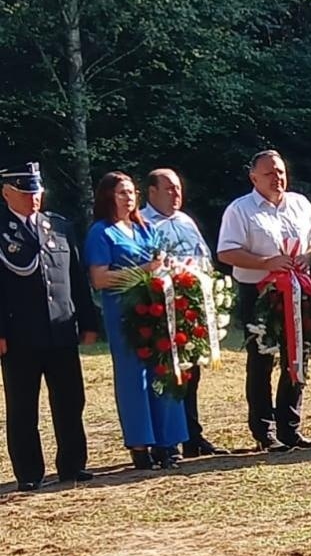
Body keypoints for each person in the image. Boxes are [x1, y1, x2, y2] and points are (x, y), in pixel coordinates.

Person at [0, 162, 99, 491]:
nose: (34, 198)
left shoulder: (58, 227)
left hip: (60, 329)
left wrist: (88, 320)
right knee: (23, 405)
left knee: (71, 400)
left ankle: (73, 465)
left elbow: (75, 280)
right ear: (6, 193)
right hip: (18, 336)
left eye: (37, 191)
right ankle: (29, 473)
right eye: (26, 192)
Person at [216, 149, 311, 451]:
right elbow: (226, 251)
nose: (278, 178)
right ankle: (265, 430)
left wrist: (308, 255)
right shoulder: (241, 209)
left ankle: (291, 426)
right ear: (253, 177)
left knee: (298, 354)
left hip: (300, 288)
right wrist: (266, 262)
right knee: (262, 359)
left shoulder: (300, 204)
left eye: (281, 171)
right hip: (259, 291)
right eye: (270, 173)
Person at [83, 172, 187, 470]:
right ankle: (141, 446)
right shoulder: (102, 233)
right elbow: (99, 278)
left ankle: (168, 443)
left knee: (163, 373)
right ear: (107, 197)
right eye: (121, 193)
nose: (129, 198)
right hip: (125, 314)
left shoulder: (146, 228)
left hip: (156, 310)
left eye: (131, 192)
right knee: (134, 379)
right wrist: (143, 270)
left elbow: (161, 264)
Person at [142, 168, 225, 456]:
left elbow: (205, 259)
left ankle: (192, 436)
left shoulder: (186, 221)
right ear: (151, 192)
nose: (176, 194)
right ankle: (166, 440)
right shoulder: (143, 224)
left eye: (178, 188)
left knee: (192, 374)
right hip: (162, 311)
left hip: (190, 311)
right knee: (167, 374)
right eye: (169, 189)